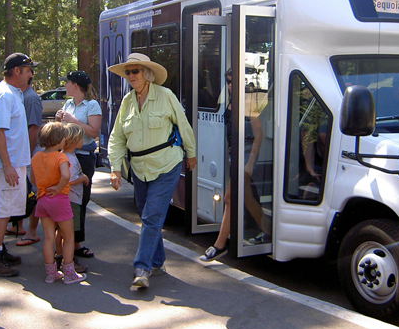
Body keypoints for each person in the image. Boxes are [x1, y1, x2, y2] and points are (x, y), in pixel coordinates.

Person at [108, 53, 196, 289]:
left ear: (146, 74)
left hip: (166, 164)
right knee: (147, 216)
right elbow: (116, 138)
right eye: (128, 72)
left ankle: (142, 268)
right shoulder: (127, 101)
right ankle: (158, 262)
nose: (130, 76)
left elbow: (183, 125)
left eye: (134, 71)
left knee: (151, 216)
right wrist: (115, 168)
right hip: (139, 168)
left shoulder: (165, 96)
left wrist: (191, 153)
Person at [200, 69, 271, 262]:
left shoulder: (248, 102)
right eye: (228, 81)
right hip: (235, 157)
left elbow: (259, 135)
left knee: (230, 198)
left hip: (245, 158)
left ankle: (219, 245)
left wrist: (249, 164)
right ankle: (268, 232)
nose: (230, 85)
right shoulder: (230, 102)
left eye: (234, 82)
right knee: (246, 199)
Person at [0, 52, 38, 277]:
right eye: (28, 70)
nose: (31, 75)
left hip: (14, 162)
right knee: (3, 209)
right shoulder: (4, 95)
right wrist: (7, 165)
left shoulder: (13, 93)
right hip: (9, 164)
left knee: (8, 209)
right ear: (17, 71)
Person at [30, 122, 86, 284]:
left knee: (48, 237)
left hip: (42, 200)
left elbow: (33, 178)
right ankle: (69, 273)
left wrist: (44, 186)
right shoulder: (61, 156)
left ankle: (50, 273)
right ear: (59, 140)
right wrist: (58, 187)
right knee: (68, 237)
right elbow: (66, 176)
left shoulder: (36, 156)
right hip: (59, 200)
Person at [55, 70, 101, 259]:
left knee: (80, 200)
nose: (65, 85)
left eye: (67, 82)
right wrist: (59, 121)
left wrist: (72, 121)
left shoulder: (92, 105)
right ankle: (64, 244)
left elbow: (93, 132)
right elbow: (63, 130)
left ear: (76, 86)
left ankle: (76, 243)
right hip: (65, 156)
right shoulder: (67, 104)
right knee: (65, 198)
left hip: (84, 157)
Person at [9, 72, 43, 245]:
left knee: (32, 193)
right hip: (20, 154)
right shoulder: (17, 95)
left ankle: (31, 231)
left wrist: (27, 153)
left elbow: (34, 128)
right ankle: (17, 225)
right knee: (20, 191)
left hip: (30, 153)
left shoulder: (31, 98)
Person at [53, 123, 88, 273]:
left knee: (59, 231)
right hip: (71, 199)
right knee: (68, 232)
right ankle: (68, 259)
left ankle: (59, 256)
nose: (83, 141)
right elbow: (68, 181)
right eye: (81, 138)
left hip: (63, 199)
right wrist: (82, 178)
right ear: (74, 142)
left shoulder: (62, 156)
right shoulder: (70, 159)